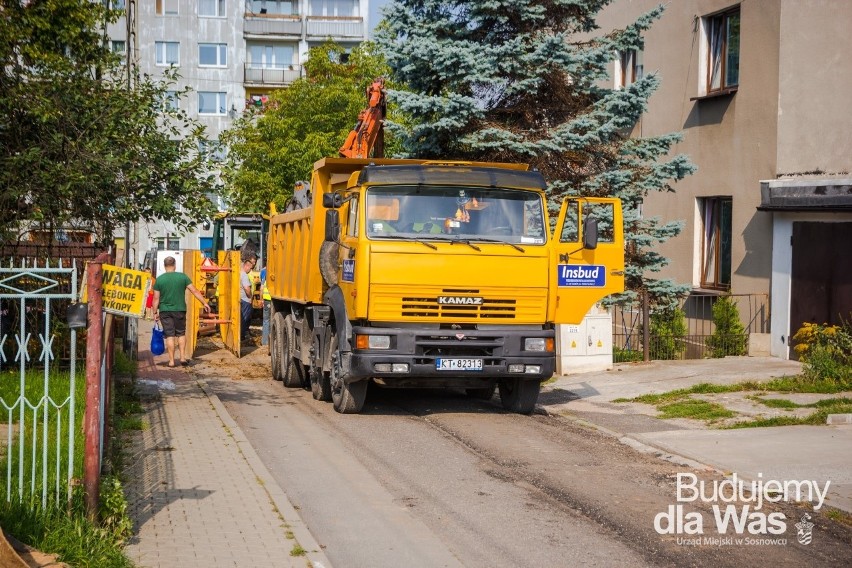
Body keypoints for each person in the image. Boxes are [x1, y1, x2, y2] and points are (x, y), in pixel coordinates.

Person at [153, 256, 211, 367]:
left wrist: (155, 312)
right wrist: (204, 303)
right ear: (174, 265)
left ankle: (171, 361)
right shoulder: (183, 277)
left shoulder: (160, 279)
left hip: (165, 311)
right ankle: (183, 358)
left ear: (164, 266)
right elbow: (194, 290)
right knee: (181, 333)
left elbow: (156, 298)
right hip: (180, 309)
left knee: (170, 335)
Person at [240, 256, 256, 343]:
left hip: (240, 299)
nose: (250, 270)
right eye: (250, 268)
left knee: (241, 318)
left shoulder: (238, 273)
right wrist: (250, 297)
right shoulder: (244, 275)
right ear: (246, 266)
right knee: (244, 319)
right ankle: (242, 337)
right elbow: (247, 288)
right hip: (245, 300)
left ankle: (241, 335)